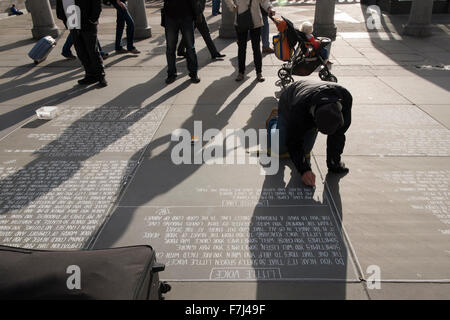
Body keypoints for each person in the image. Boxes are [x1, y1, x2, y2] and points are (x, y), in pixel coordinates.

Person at [266, 80, 352, 187]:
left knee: (305, 151)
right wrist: (304, 170)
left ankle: (294, 127)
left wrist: (334, 163)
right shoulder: (300, 109)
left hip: (314, 100)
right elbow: (293, 142)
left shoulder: (345, 98)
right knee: (278, 149)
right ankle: (273, 122)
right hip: (290, 100)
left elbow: (338, 134)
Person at [56, 0, 107, 87]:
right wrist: (66, 20)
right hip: (72, 21)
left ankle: (100, 76)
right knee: (81, 51)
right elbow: (60, 8)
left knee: (92, 51)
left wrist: (93, 19)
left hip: (87, 22)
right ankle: (90, 75)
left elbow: (96, 4)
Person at [226, 0, 275, 82]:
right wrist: (232, 6)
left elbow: (264, 1)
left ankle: (259, 73)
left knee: (256, 48)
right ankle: (241, 72)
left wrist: (269, 8)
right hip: (241, 18)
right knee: (242, 48)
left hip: (255, 20)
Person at [163, 0, 201, 84]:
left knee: (190, 47)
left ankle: (193, 73)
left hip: (187, 16)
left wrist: (198, 13)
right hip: (170, 17)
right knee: (170, 48)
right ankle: (171, 74)